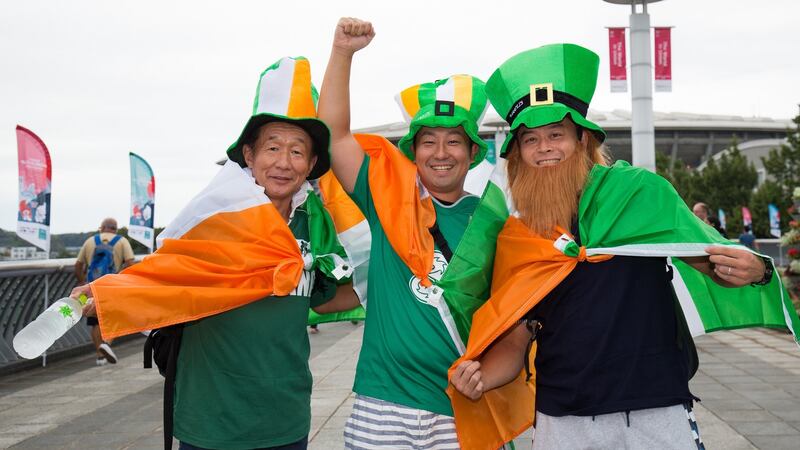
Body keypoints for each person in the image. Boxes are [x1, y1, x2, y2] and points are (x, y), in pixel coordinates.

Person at [448, 44, 774, 450]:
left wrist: (756, 270)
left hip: (655, 405)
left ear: (583, 140)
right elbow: (518, 336)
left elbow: (712, 260)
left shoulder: (639, 195)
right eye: (530, 139)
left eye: (556, 134)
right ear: (516, 155)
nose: (544, 147)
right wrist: (480, 376)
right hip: (562, 416)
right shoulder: (519, 237)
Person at [73, 57, 359, 450]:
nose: (282, 162)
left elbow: (331, 299)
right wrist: (104, 294)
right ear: (248, 155)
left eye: (297, 151)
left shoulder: (315, 227)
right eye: (272, 147)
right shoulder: (215, 220)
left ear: (311, 164)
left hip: (286, 417)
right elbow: (164, 273)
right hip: (211, 420)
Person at [318, 17, 494, 449]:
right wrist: (342, 52)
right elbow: (334, 135)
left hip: (464, 404)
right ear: (412, 152)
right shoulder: (386, 202)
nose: (440, 153)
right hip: (383, 404)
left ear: (473, 153)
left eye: (454, 142)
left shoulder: (493, 221)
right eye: (428, 141)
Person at [74, 217, 134, 365]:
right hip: (112, 286)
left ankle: (99, 355)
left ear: (101, 228)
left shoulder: (90, 241)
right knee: (113, 317)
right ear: (115, 228)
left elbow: (78, 265)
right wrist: (121, 279)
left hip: (93, 287)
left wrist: (82, 281)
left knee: (95, 322)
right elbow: (130, 263)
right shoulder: (122, 241)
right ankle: (106, 343)